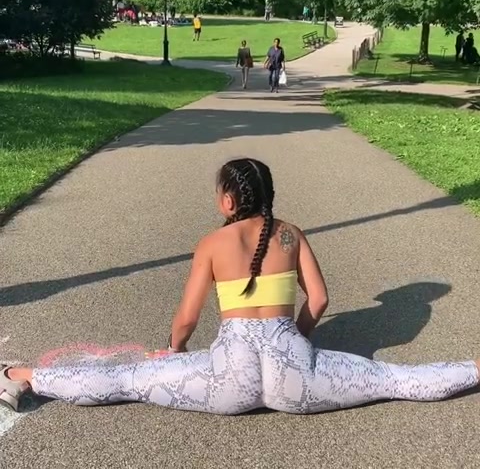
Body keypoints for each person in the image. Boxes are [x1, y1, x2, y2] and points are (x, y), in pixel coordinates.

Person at [1, 158, 479, 415]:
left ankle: (20, 377)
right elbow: (320, 299)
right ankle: (475, 368)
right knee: (395, 379)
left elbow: (187, 317)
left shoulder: (212, 243)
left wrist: (174, 352)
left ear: (228, 200)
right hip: (301, 380)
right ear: (269, 196)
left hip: (227, 381)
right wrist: (297, 339)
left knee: (128, 380)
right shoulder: (290, 234)